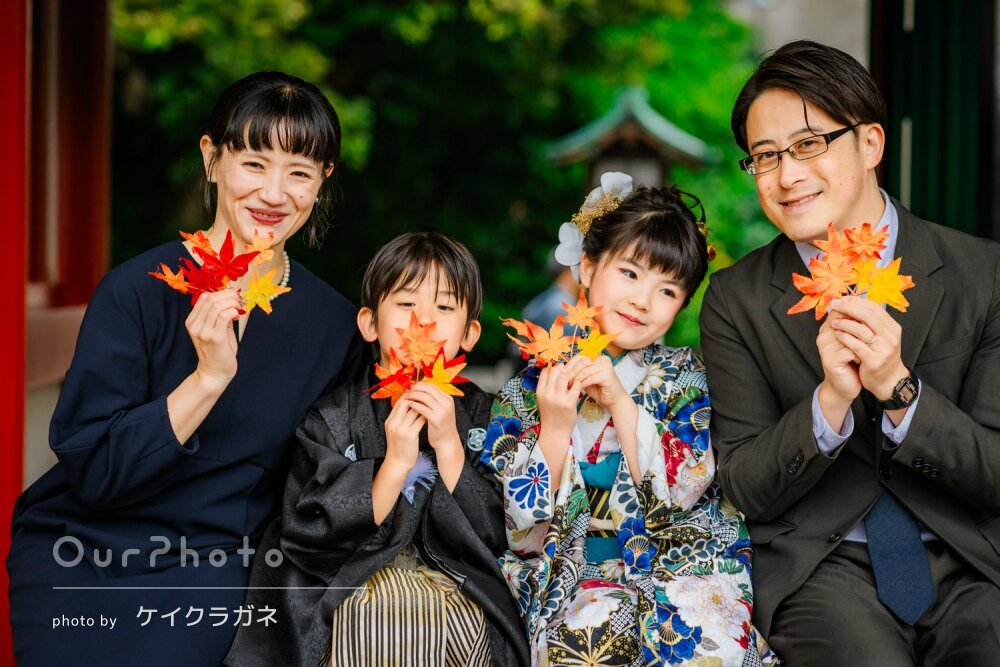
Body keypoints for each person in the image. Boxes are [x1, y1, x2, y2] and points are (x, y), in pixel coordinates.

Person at [7, 71, 365, 665]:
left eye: (299, 172)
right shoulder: (134, 292)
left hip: (216, 565)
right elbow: (95, 474)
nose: (275, 194)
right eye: (254, 163)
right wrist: (207, 379)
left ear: (322, 182)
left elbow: (326, 484)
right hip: (83, 554)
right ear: (212, 158)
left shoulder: (333, 327)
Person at [700, 40, 1000, 665]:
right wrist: (829, 403)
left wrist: (899, 388)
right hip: (823, 567)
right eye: (764, 157)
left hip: (972, 561)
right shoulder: (737, 297)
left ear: (870, 144)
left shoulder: (982, 272)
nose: (786, 175)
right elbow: (746, 485)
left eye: (809, 144)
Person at [483, 173, 777, 666]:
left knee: (707, 649)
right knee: (585, 645)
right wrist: (555, 427)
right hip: (569, 575)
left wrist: (622, 403)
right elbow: (521, 532)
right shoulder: (530, 386)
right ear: (588, 265)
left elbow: (686, 488)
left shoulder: (687, 379)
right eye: (630, 274)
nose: (643, 300)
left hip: (682, 569)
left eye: (668, 291)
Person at [224, 232, 530, 667]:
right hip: (347, 580)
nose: (423, 322)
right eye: (406, 304)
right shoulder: (333, 415)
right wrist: (393, 466)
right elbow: (307, 528)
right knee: (375, 622)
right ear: (369, 322)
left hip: (457, 579)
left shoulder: (485, 415)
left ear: (470, 333)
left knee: (462, 627)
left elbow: (499, 532)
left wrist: (448, 446)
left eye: (444, 307)